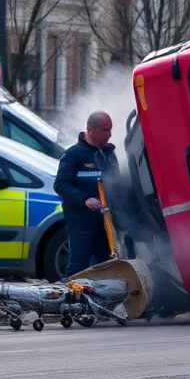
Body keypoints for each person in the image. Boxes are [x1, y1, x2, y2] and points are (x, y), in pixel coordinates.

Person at [54, 111, 119, 277]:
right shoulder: (74, 155)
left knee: (105, 265)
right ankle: (72, 298)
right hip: (81, 222)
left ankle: (100, 300)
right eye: (105, 130)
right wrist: (85, 200)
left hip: (105, 222)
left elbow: (117, 185)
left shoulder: (109, 154)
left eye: (110, 130)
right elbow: (61, 184)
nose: (109, 135)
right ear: (90, 129)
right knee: (79, 266)